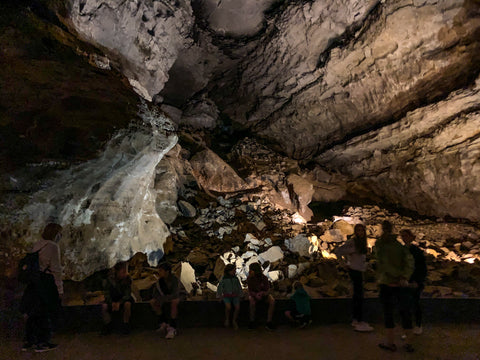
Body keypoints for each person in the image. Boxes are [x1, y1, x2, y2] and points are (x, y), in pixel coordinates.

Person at [20, 223, 63, 353]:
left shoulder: (38, 244)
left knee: (33, 313)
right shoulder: (52, 246)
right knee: (45, 313)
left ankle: (29, 341)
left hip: (34, 282)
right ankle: (42, 342)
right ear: (55, 234)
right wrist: (60, 289)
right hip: (46, 282)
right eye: (60, 233)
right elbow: (56, 269)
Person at [375, 220, 415, 352]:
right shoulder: (399, 246)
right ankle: (408, 343)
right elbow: (409, 262)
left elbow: (382, 264)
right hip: (400, 284)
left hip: (386, 283)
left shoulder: (380, 245)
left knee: (388, 314)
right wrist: (404, 277)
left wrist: (390, 275)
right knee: (405, 312)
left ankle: (390, 343)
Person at [335, 223, 373, 332]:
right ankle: (358, 320)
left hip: (359, 270)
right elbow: (339, 251)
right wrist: (344, 264)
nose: (360, 232)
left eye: (362, 230)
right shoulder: (353, 243)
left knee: (359, 295)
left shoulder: (361, 243)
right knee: (358, 296)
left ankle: (357, 319)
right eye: (358, 230)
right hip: (354, 271)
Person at [400, 229, 427, 335]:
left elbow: (421, 268)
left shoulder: (416, 251)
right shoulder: (402, 250)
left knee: (415, 303)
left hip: (414, 281)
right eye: (403, 236)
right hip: (405, 281)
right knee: (406, 305)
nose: (404, 238)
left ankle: (418, 324)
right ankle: (408, 327)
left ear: (411, 237)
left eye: (406, 236)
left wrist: (418, 281)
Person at [101, 261, 134, 335]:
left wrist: (119, 302)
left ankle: (126, 325)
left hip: (123, 300)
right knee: (104, 306)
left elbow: (127, 294)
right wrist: (111, 302)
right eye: (123, 272)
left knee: (127, 304)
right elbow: (107, 294)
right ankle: (108, 325)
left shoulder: (127, 280)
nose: (125, 274)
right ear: (117, 272)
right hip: (113, 299)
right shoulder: (109, 280)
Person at [150, 262, 181, 339]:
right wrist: (159, 299)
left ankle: (173, 327)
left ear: (167, 272)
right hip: (164, 298)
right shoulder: (160, 282)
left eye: (161, 270)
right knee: (153, 302)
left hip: (177, 297)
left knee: (174, 302)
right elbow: (155, 293)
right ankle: (163, 322)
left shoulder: (175, 280)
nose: (159, 272)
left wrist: (165, 298)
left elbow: (176, 293)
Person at [247, 262, 275, 330]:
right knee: (251, 301)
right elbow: (250, 290)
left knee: (272, 301)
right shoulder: (249, 278)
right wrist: (255, 294)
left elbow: (267, 289)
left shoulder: (264, 278)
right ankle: (252, 321)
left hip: (263, 294)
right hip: (254, 295)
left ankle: (269, 322)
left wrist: (263, 293)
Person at [217, 263, 242, 330]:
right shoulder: (224, 279)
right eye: (233, 270)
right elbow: (220, 287)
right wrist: (219, 296)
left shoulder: (236, 278)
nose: (235, 272)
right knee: (228, 307)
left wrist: (240, 294)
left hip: (235, 295)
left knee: (237, 307)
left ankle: (234, 320)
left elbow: (239, 287)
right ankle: (227, 319)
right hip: (227, 296)